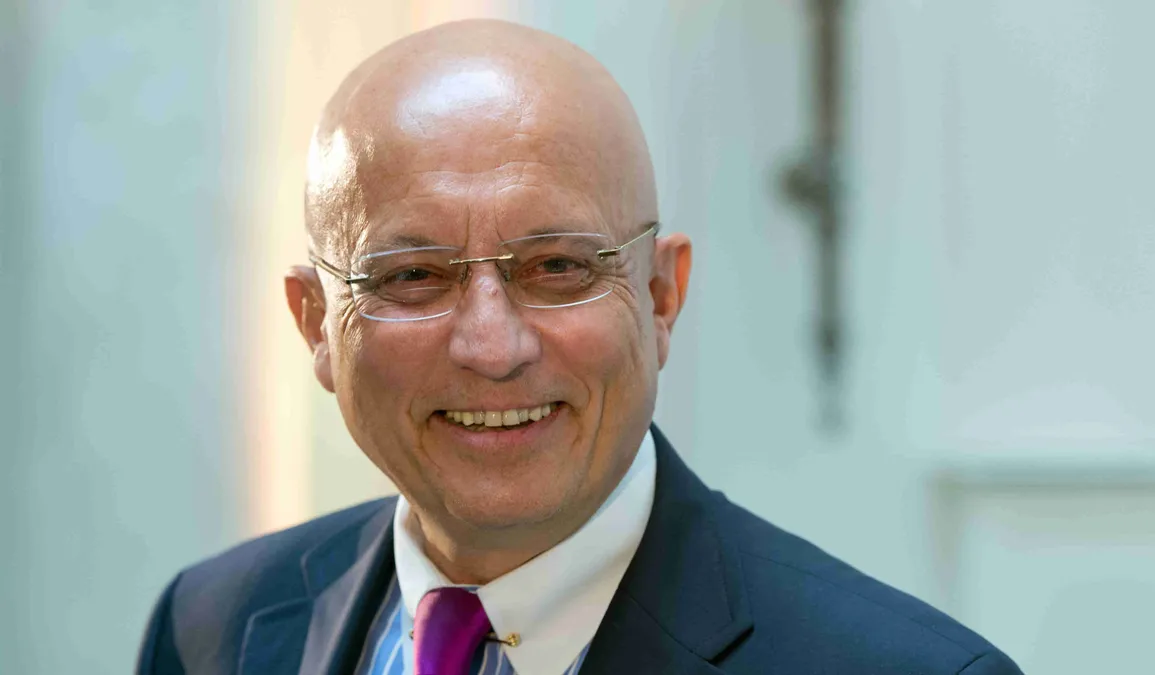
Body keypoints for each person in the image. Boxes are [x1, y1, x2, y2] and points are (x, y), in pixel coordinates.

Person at [138, 19, 1023, 675]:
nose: (490, 346)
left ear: (662, 296)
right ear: (314, 324)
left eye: (557, 266)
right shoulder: (210, 628)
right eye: (414, 276)